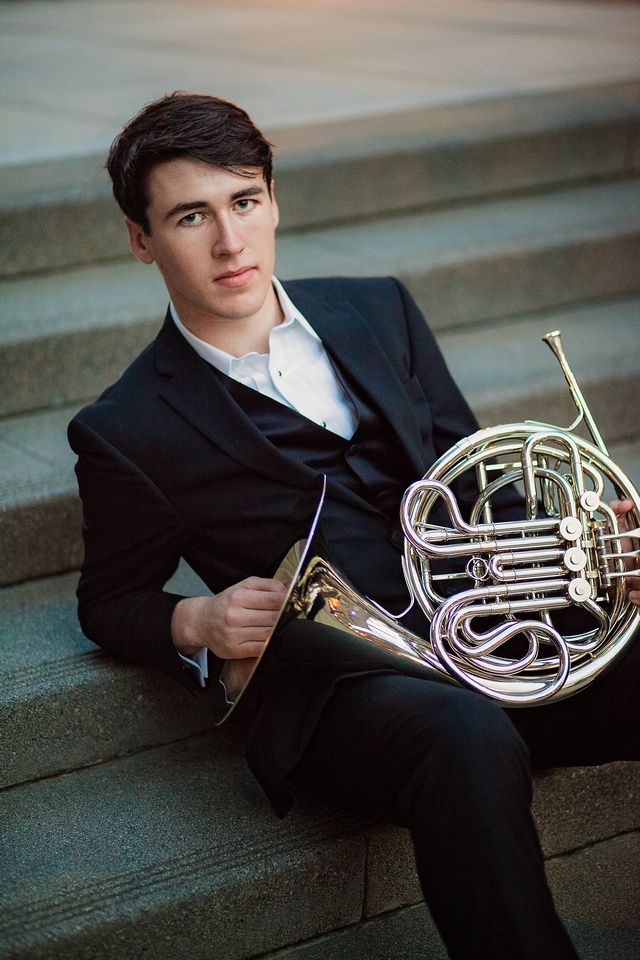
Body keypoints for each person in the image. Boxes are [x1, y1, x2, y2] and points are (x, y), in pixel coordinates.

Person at [68, 92, 639, 960]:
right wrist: (200, 620)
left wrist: (587, 555)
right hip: (346, 689)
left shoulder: (378, 308)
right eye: (192, 216)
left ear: (272, 200)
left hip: (493, 631)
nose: (230, 242)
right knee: (467, 738)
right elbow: (109, 600)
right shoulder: (127, 427)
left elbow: (482, 478)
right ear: (141, 239)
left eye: (245, 201)